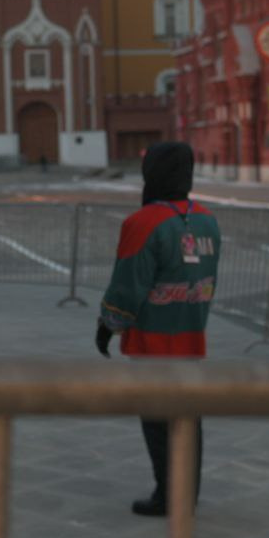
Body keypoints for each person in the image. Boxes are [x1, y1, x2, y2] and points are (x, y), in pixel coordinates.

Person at [94, 142, 220, 516]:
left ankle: (169, 494)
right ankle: (188, 492)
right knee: (188, 420)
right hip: (192, 336)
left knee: (158, 423)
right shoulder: (207, 220)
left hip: (153, 343)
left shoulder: (143, 223)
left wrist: (108, 324)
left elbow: (128, 285)